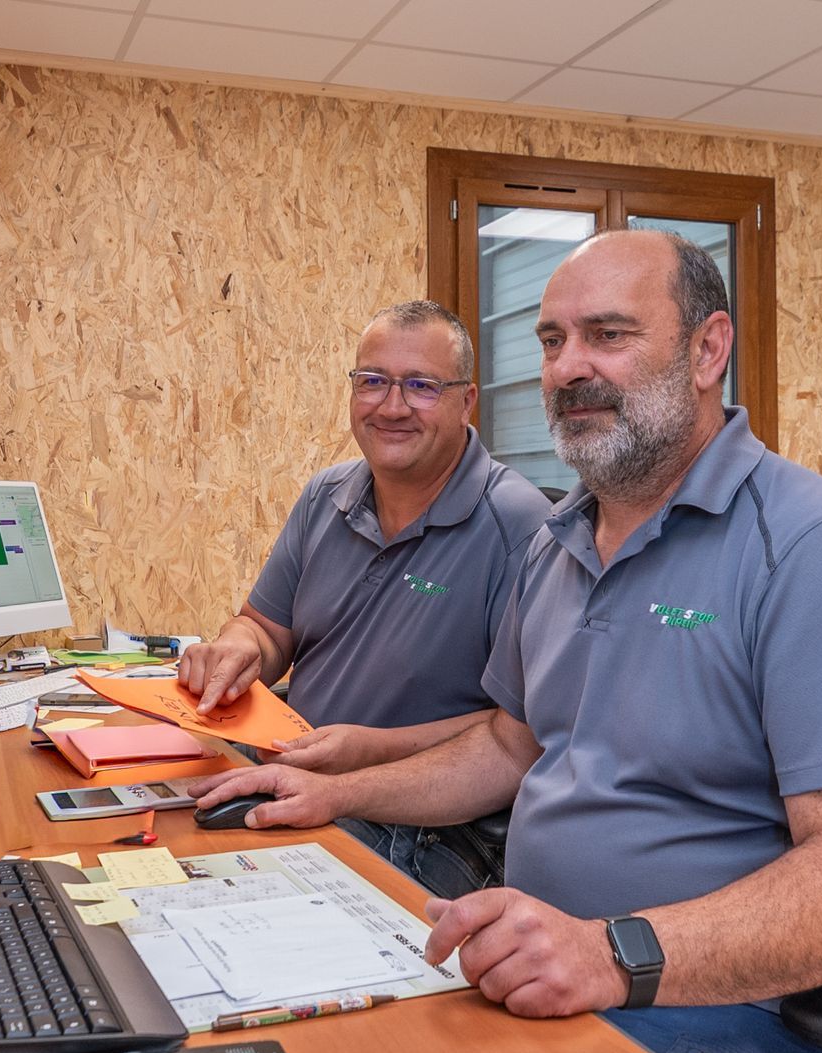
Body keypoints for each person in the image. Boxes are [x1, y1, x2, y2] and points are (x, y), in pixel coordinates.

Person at [189, 231, 822, 1053]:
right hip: (546, 985)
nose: (570, 368)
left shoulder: (821, 551)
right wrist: (345, 795)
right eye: (551, 341)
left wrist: (611, 953)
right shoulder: (557, 544)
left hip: (753, 1033)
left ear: (709, 351)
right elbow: (509, 743)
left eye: (609, 335)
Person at [177, 300, 552, 897]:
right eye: (372, 382)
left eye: (421, 386)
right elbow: (266, 629)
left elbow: (525, 736)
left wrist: (365, 752)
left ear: (466, 400)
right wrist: (233, 648)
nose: (392, 406)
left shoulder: (524, 529)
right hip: (296, 771)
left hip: (429, 823)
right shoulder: (326, 495)